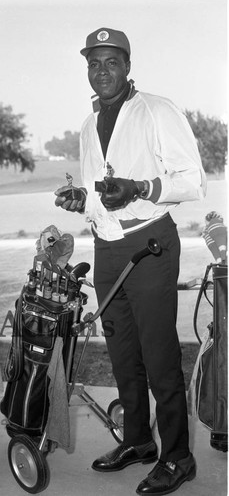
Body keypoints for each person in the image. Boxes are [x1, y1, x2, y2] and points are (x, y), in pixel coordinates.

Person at [55, 27, 206, 495]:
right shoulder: (87, 124)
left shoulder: (158, 110)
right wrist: (82, 199)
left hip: (149, 245)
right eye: (93, 63)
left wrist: (140, 188)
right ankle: (138, 441)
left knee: (159, 355)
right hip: (106, 246)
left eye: (111, 62)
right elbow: (102, 195)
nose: (102, 71)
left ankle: (178, 457)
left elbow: (191, 182)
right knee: (122, 355)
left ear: (127, 65)